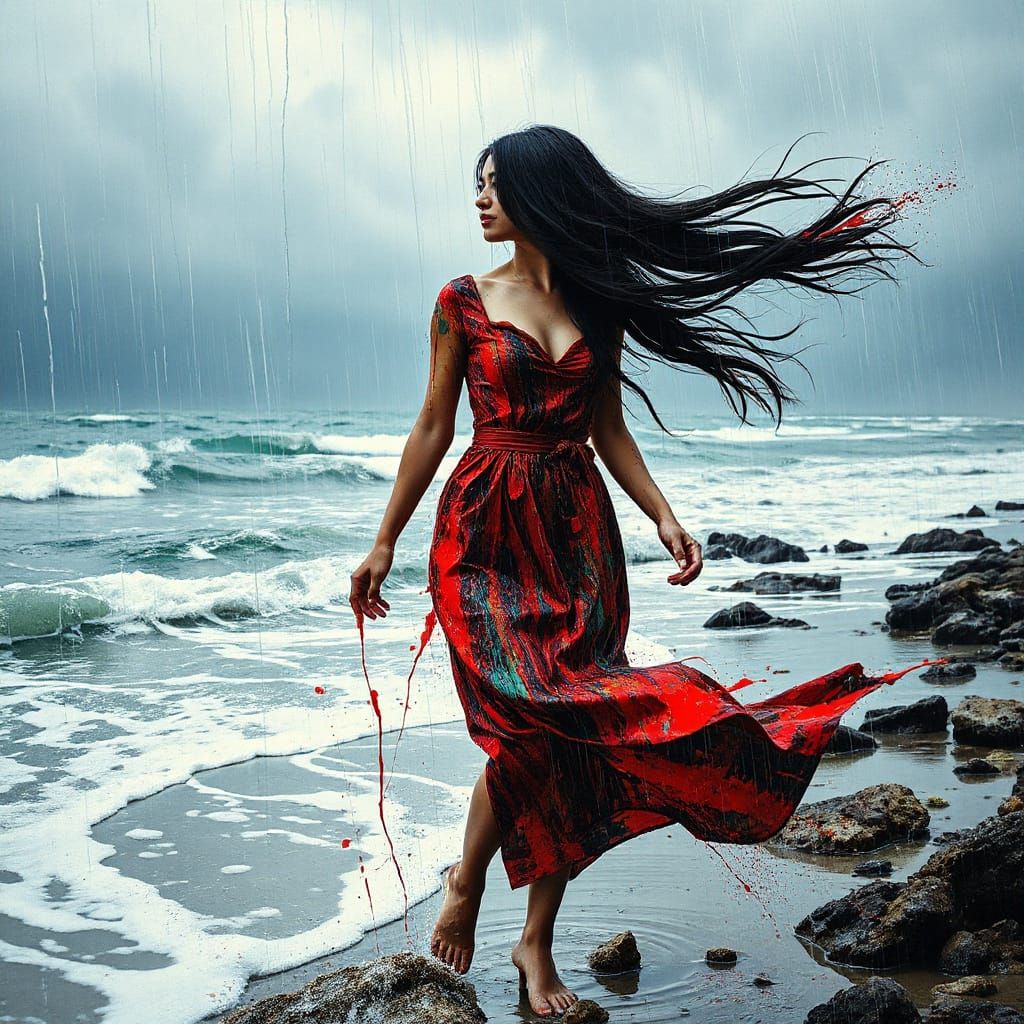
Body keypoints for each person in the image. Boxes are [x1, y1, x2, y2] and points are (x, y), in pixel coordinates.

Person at [349, 124, 925, 1017]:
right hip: (481, 534)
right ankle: (467, 883)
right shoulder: (459, 301)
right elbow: (432, 426)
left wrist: (661, 514)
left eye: (497, 183)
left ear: (544, 190)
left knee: (577, 726)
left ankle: (534, 941)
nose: (480, 198)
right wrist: (384, 539)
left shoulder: (596, 301)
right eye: (479, 182)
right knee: (526, 717)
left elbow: (608, 430)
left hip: (577, 537)